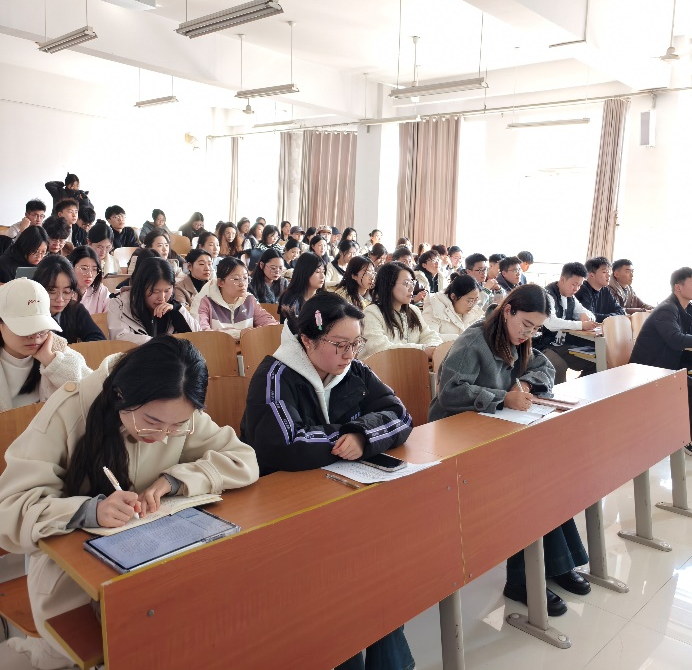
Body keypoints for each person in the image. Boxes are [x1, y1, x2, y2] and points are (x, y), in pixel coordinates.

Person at [0, 336, 259, 669]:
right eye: (151, 422)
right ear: (121, 394)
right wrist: (90, 510)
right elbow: (10, 508)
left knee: (217, 617)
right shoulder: (68, 412)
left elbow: (243, 459)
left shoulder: (178, 410)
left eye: (177, 426)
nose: (162, 436)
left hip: (154, 561)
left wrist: (176, 479)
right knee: (146, 638)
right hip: (74, 578)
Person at [240, 292, 414, 670]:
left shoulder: (353, 370)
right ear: (307, 340)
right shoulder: (274, 377)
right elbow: (286, 445)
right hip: (285, 507)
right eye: (339, 344)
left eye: (356, 344)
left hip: (341, 495)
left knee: (379, 571)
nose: (349, 353)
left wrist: (362, 435)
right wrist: (346, 435)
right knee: (346, 581)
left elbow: (400, 416)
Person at [429, 284, 588, 616]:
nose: (528, 334)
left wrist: (525, 385)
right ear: (507, 310)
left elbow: (545, 367)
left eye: (535, 329)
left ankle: (556, 564)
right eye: (525, 325)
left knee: (547, 474)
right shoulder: (474, 341)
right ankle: (522, 579)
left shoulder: (518, 339)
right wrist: (503, 398)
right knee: (526, 483)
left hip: (493, 431)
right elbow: (450, 393)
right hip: (455, 438)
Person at [629, 267, 692, 459]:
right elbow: (676, 339)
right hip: (650, 370)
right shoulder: (666, 309)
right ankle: (689, 439)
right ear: (678, 287)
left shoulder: (690, 308)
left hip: (672, 367)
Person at [0, 278, 92, 412]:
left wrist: (52, 362)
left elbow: (93, 391)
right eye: (25, 328)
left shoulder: (57, 350)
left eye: (41, 327)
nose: (35, 336)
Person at [361, 262, 442, 360]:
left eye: (412, 283)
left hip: (409, 366)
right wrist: (423, 350)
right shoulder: (372, 313)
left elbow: (429, 335)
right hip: (379, 367)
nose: (412, 289)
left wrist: (433, 347)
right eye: (406, 283)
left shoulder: (413, 310)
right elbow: (380, 349)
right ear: (389, 285)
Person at [107, 257, 198, 343]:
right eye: (155, 291)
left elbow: (198, 337)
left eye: (167, 290)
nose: (162, 298)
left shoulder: (174, 306)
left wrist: (177, 311)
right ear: (141, 288)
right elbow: (120, 339)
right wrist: (160, 344)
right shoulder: (119, 304)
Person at [535, 262, 598, 384]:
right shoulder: (547, 295)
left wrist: (586, 316)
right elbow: (550, 323)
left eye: (579, 285)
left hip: (563, 345)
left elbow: (586, 312)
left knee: (596, 362)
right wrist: (581, 325)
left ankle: (576, 389)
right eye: (574, 284)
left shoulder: (571, 297)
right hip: (545, 345)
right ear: (562, 280)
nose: (576, 289)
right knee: (558, 365)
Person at [198, 258, 277, 341]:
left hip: (247, 348)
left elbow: (271, 324)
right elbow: (202, 332)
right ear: (220, 282)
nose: (242, 284)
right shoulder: (206, 302)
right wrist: (240, 334)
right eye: (236, 279)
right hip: (218, 348)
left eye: (245, 278)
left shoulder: (249, 299)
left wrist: (252, 332)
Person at [32, 256, 105, 344]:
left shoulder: (75, 309)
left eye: (66, 292)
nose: (60, 299)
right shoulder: (26, 312)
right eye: (52, 291)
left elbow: (99, 341)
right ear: (38, 287)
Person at [422, 274, 484, 341]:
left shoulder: (474, 312)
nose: (473, 305)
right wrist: (462, 339)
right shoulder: (433, 310)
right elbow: (429, 338)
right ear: (453, 297)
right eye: (469, 301)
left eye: (476, 300)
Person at [278, 252, 325, 325]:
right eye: (317, 272)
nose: (322, 276)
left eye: (323, 272)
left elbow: (322, 326)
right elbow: (293, 328)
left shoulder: (323, 298)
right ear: (305, 273)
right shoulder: (291, 300)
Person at [575, 257, 626, 321]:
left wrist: (611, 317)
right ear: (591, 275)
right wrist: (614, 317)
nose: (608, 275)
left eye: (609, 272)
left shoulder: (606, 290)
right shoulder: (581, 290)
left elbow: (621, 311)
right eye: (604, 272)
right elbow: (589, 316)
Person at [67, 246, 110, 316]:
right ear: (71, 267)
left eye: (94, 269)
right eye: (84, 269)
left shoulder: (101, 292)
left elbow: (111, 316)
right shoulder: (62, 293)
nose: (90, 275)